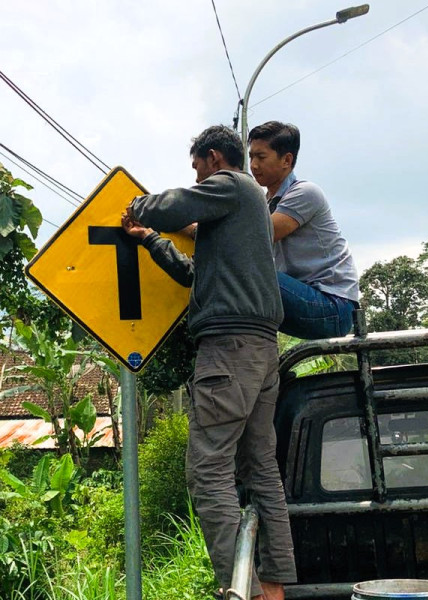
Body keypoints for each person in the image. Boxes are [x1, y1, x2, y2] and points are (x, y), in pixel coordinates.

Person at [122, 125, 296, 600]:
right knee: (261, 469)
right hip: (260, 351)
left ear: (214, 158)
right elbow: (193, 274)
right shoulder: (248, 214)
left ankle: (241, 591)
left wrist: (137, 207)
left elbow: (176, 204)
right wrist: (149, 239)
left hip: (229, 349)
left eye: (198, 167)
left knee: (208, 471)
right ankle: (275, 586)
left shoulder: (234, 185)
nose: (197, 176)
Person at [247, 121, 360, 339]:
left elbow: (258, 236)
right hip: (306, 298)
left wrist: (195, 229)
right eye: (251, 157)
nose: (253, 165)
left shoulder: (305, 193)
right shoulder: (266, 202)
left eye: (261, 157)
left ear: (286, 160)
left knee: (245, 270)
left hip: (333, 307)